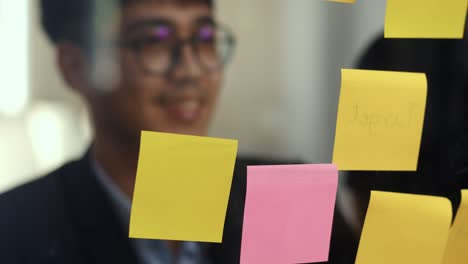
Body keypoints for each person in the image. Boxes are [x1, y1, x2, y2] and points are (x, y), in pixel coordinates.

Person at [0, 0, 356, 263]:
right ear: (75, 66)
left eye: (204, 39)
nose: (191, 70)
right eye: (154, 41)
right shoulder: (18, 228)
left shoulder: (287, 197)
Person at [346, 33, 468, 233]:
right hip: (401, 235)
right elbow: (362, 184)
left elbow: (361, 187)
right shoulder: (386, 51)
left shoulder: (386, 49)